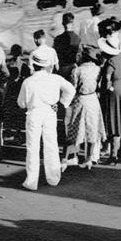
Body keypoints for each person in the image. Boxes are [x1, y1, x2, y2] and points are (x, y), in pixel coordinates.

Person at [16, 44, 73, 189]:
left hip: (34, 114)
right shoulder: (56, 79)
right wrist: (61, 104)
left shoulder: (28, 82)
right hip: (50, 113)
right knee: (51, 145)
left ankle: (31, 181)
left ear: (33, 65)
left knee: (32, 147)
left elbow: (21, 103)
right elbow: (71, 90)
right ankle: (53, 178)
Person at [98, 28, 121, 164]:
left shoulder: (111, 62)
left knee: (115, 123)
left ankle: (113, 155)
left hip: (115, 90)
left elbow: (107, 78)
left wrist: (107, 89)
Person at [67, 49, 107, 169]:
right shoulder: (98, 69)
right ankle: (89, 158)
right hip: (93, 99)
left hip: (81, 99)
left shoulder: (77, 70)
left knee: (76, 128)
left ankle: (74, 155)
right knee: (92, 128)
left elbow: (73, 87)